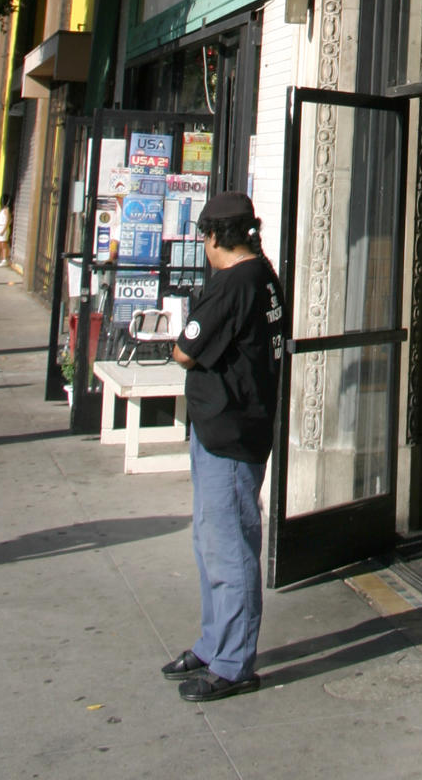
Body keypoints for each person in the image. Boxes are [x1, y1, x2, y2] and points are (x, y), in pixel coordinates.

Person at [164, 191, 284, 703]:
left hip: (229, 435)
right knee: (212, 541)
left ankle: (233, 663)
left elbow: (184, 352)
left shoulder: (233, 284)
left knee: (229, 549)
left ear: (216, 238)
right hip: (235, 429)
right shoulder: (264, 275)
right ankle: (214, 644)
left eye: (205, 236)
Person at [0, 196, 12, 267]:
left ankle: (4, 259)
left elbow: (8, 220)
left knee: (3, 244)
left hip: (3, 228)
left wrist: (4, 230)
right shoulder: (2, 209)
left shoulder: (7, 210)